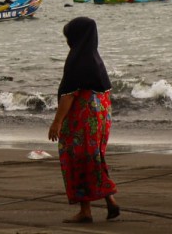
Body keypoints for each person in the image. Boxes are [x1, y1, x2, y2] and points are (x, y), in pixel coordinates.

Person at [48, 16, 120, 224]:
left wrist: (57, 122)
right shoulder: (96, 60)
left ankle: (86, 211)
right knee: (94, 159)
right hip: (100, 122)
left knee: (77, 161)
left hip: (81, 123)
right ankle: (110, 200)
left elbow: (69, 94)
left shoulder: (77, 60)